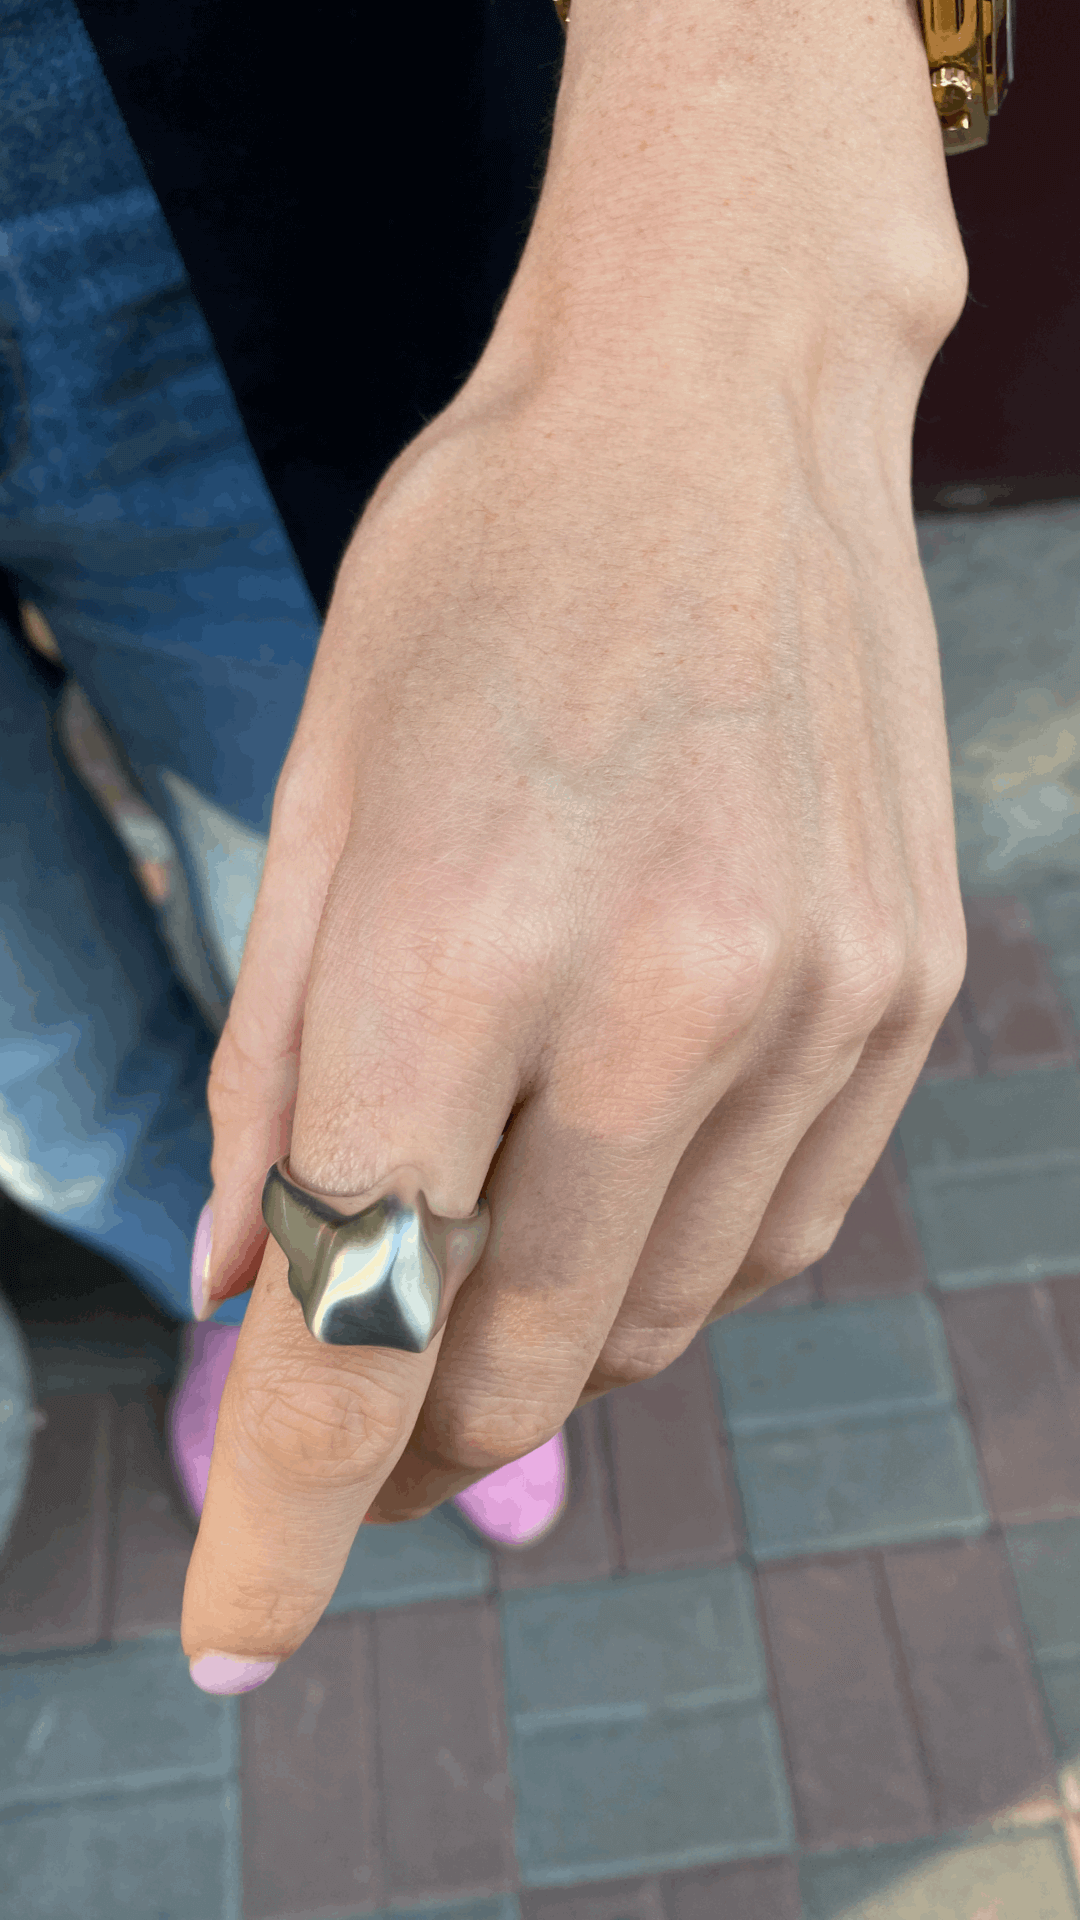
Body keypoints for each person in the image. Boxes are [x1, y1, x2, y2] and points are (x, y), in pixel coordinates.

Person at [1, 0, 971, 1699]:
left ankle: (309, 1304)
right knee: (44, 1081)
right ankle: (217, 1289)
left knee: (354, 959)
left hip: (191, 156)